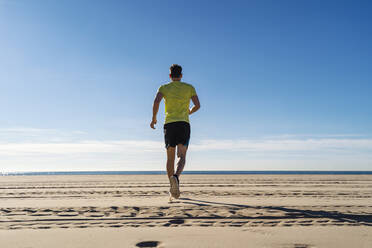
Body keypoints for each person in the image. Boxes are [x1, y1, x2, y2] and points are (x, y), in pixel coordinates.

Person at [150, 64, 200, 199]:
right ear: (181, 75)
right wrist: (189, 111)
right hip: (184, 124)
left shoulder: (164, 87)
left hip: (169, 124)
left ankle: (172, 186)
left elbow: (156, 101)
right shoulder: (189, 87)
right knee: (182, 156)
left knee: (170, 158)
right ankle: (176, 177)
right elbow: (197, 105)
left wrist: (154, 118)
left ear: (170, 76)